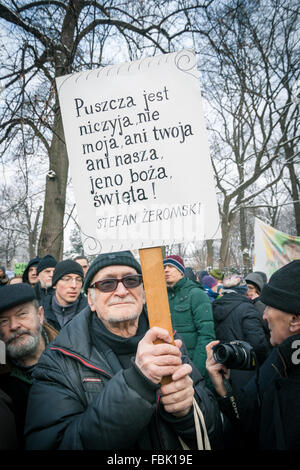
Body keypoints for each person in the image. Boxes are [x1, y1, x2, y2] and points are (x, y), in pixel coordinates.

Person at [24, 250, 223, 450]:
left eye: (131, 280)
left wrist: (186, 412)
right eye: (107, 284)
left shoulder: (169, 340)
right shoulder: (59, 359)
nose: (121, 291)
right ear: (91, 301)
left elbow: (215, 429)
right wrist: (137, 385)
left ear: (144, 295)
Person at [206, 260, 300, 450]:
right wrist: (224, 389)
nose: (264, 316)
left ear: (294, 320)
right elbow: (252, 421)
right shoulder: (279, 358)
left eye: (269, 307)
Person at [0, 283, 58, 448]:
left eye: (22, 314)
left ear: (40, 315)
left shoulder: (71, 353)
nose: (14, 326)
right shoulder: (2, 380)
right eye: (4, 321)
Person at [163, 255, 216, 385]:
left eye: (171, 266)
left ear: (181, 270)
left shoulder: (196, 294)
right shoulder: (162, 296)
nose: (166, 270)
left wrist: (195, 371)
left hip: (195, 370)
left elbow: (206, 335)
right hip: (171, 370)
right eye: (163, 267)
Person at [212, 274, 270, 389]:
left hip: (221, 365)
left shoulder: (213, 306)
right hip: (245, 371)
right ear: (243, 291)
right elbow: (258, 344)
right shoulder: (247, 309)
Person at [42, 259, 88, 331]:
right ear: (55, 285)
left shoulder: (91, 313)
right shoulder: (40, 312)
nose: (74, 285)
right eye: (67, 279)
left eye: (78, 280)